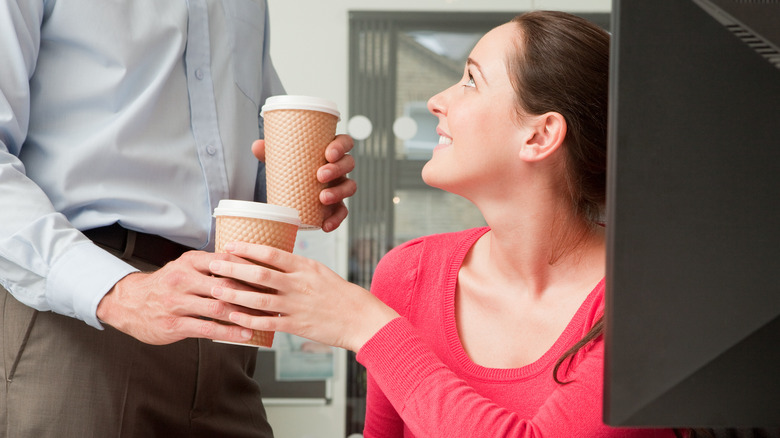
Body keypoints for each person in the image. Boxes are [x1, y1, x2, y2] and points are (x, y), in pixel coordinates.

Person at [205, 10, 681, 437]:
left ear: (539, 136)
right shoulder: (409, 275)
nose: (436, 100)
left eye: (471, 80)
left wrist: (369, 328)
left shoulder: (645, 304)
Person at [0, 1, 355, 437]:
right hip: (82, 323)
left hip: (221, 321)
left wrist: (305, 182)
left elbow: (252, 152)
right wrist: (117, 292)